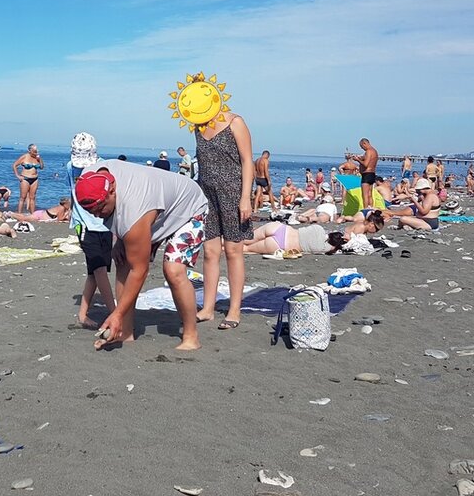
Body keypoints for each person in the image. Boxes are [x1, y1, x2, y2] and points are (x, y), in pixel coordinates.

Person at [76, 161, 207, 351]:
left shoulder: (134, 210)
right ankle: (125, 332)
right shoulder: (89, 178)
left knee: (173, 269)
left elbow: (140, 270)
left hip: (189, 207)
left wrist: (116, 313)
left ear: (112, 191)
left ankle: (191, 336)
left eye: (100, 209)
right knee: (122, 260)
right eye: (91, 212)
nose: (97, 216)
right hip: (153, 210)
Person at [195, 108, 255, 330]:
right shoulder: (197, 125)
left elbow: (248, 161)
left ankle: (234, 310)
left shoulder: (235, 122)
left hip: (233, 191)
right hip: (206, 194)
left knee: (233, 251)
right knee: (210, 252)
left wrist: (245, 198)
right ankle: (208, 308)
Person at [68, 132, 116, 330]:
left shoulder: (104, 167)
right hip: (84, 225)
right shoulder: (71, 167)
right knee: (98, 269)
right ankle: (115, 313)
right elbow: (72, 194)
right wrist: (71, 219)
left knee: (95, 271)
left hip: (104, 224)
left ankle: (82, 314)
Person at [242, 221, 351, 256]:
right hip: (281, 244)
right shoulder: (325, 248)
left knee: (242, 239)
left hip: (280, 228)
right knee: (245, 249)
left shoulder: (318, 228)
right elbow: (337, 248)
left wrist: (342, 235)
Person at [348, 138, 379, 214]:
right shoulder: (374, 151)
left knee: (364, 195)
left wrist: (357, 160)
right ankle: (371, 210)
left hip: (366, 174)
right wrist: (359, 158)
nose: (362, 148)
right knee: (370, 194)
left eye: (362, 146)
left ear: (365, 143)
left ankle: (365, 211)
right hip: (372, 174)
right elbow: (368, 159)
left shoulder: (368, 151)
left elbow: (366, 164)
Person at [12, 144, 44, 214]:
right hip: (25, 178)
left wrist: (40, 160)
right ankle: (19, 214)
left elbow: (41, 167)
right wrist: (17, 176)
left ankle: (32, 214)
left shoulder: (37, 157)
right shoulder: (24, 157)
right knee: (22, 197)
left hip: (35, 179)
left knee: (32, 197)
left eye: (36, 151)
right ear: (30, 151)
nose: (36, 153)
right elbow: (14, 165)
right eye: (34, 151)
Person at [6, 197, 72, 223]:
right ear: (65, 204)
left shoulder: (60, 207)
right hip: (39, 216)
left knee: (25, 217)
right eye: (69, 204)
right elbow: (60, 219)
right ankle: (10, 214)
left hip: (40, 213)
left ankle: (11, 213)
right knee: (23, 218)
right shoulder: (61, 208)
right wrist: (67, 212)